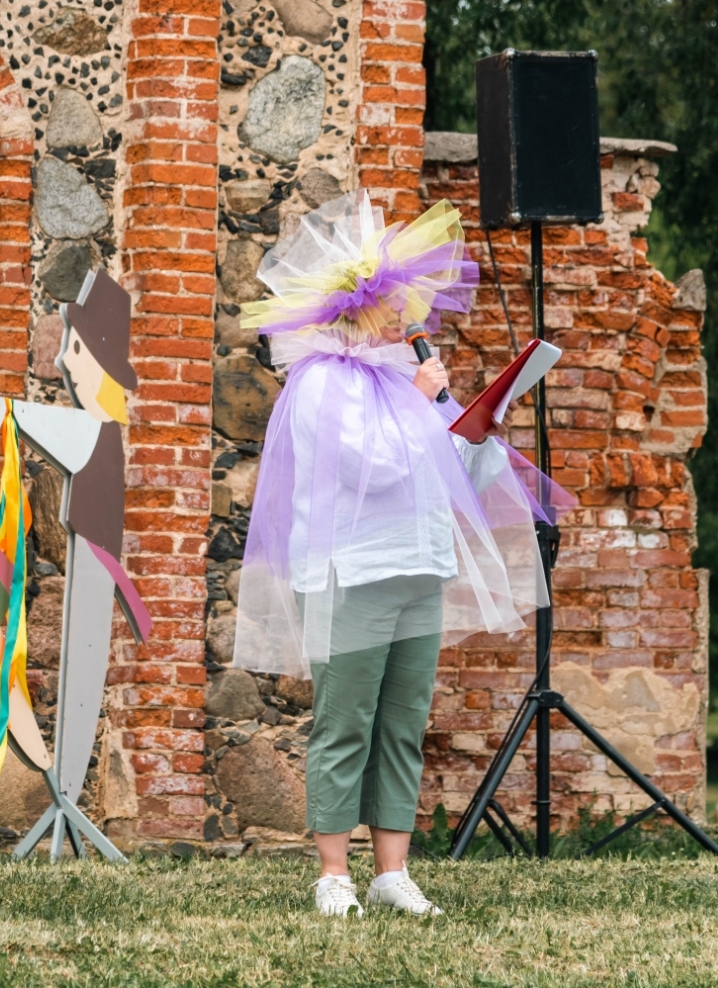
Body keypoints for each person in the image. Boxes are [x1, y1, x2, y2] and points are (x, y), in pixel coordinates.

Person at [233, 194, 566, 918]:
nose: (408, 315)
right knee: (345, 720)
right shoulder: (321, 383)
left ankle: (392, 872)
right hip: (353, 572)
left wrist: (478, 427)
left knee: (404, 721)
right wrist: (426, 406)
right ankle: (332, 873)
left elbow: (459, 478)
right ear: (355, 306)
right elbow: (368, 471)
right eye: (393, 302)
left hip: (419, 565)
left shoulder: (410, 381)